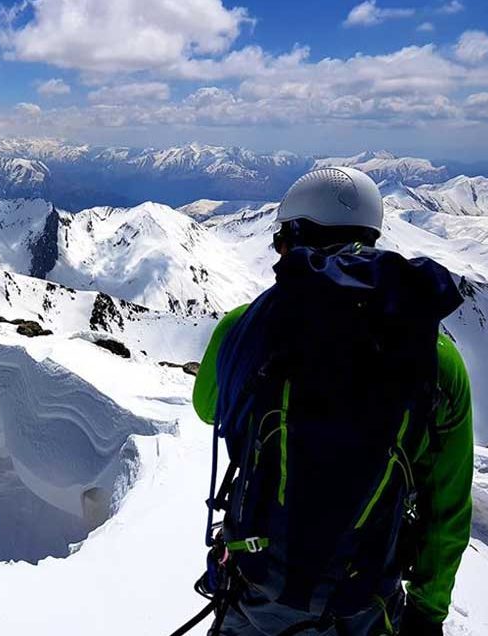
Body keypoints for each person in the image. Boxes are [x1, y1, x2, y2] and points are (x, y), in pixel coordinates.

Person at [191, 167, 473, 636]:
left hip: (256, 588)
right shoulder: (436, 357)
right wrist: (429, 611)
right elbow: (447, 505)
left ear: (294, 240)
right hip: (364, 602)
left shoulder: (245, 328)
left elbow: (208, 408)